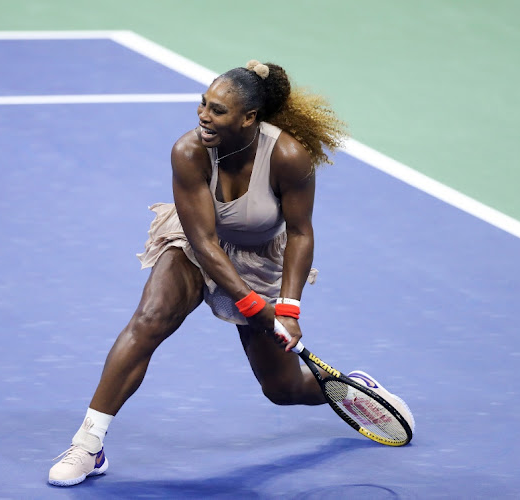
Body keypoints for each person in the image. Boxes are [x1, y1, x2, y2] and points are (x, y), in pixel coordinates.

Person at [48, 60, 414, 487]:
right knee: (150, 320)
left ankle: (353, 389)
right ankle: (88, 445)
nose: (204, 115)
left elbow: (300, 233)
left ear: (249, 118)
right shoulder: (188, 151)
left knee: (283, 390)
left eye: (218, 110)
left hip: (260, 260)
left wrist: (288, 309)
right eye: (203, 104)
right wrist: (251, 305)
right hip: (196, 246)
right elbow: (203, 241)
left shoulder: (289, 157)